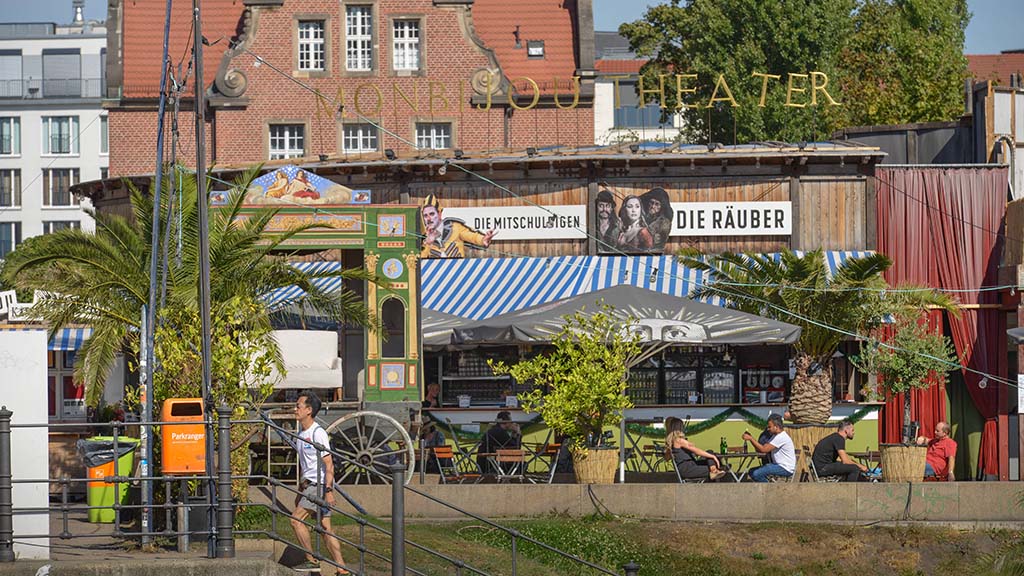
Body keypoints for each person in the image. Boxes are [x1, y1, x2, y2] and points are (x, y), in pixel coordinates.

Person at [290, 391, 349, 574]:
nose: (295, 409)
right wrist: (300, 488)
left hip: (319, 486)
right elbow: (305, 465)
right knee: (325, 528)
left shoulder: (318, 433)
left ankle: (311, 560)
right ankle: (342, 568)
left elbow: (329, 464)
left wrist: (329, 491)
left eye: (298, 406)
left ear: (309, 410)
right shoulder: (301, 433)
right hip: (308, 485)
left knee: (296, 520)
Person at [420, 194, 496, 258]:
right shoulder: (421, 237)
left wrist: (483, 239)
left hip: (457, 269)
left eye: (432, 214)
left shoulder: (454, 227)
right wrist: (428, 243)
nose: (428, 219)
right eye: (425, 215)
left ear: (439, 214)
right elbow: (418, 263)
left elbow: (472, 236)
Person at [743, 414, 796, 482]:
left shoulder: (781, 437)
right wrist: (751, 439)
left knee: (756, 473)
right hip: (778, 465)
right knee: (752, 471)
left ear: (776, 427)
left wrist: (751, 439)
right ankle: (768, 486)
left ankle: (769, 487)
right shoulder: (775, 436)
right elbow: (762, 448)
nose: (768, 429)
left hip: (785, 468)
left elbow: (764, 449)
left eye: (769, 427)